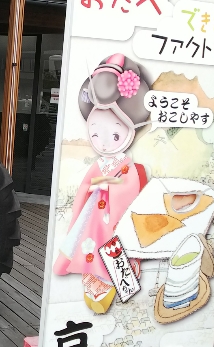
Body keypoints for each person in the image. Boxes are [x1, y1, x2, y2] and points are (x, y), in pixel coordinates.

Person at [53, 54, 150, 313]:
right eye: (96, 133)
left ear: (131, 131)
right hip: (92, 215)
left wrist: (104, 185)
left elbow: (130, 189)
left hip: (112, 220)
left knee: (110, 251)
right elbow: (86, 186)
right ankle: (93, 287)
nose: (105, 142)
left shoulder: (128, 166)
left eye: (115, 133)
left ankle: (107, 288)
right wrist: (97, 185)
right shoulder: (101, 165)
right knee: (88, 248)